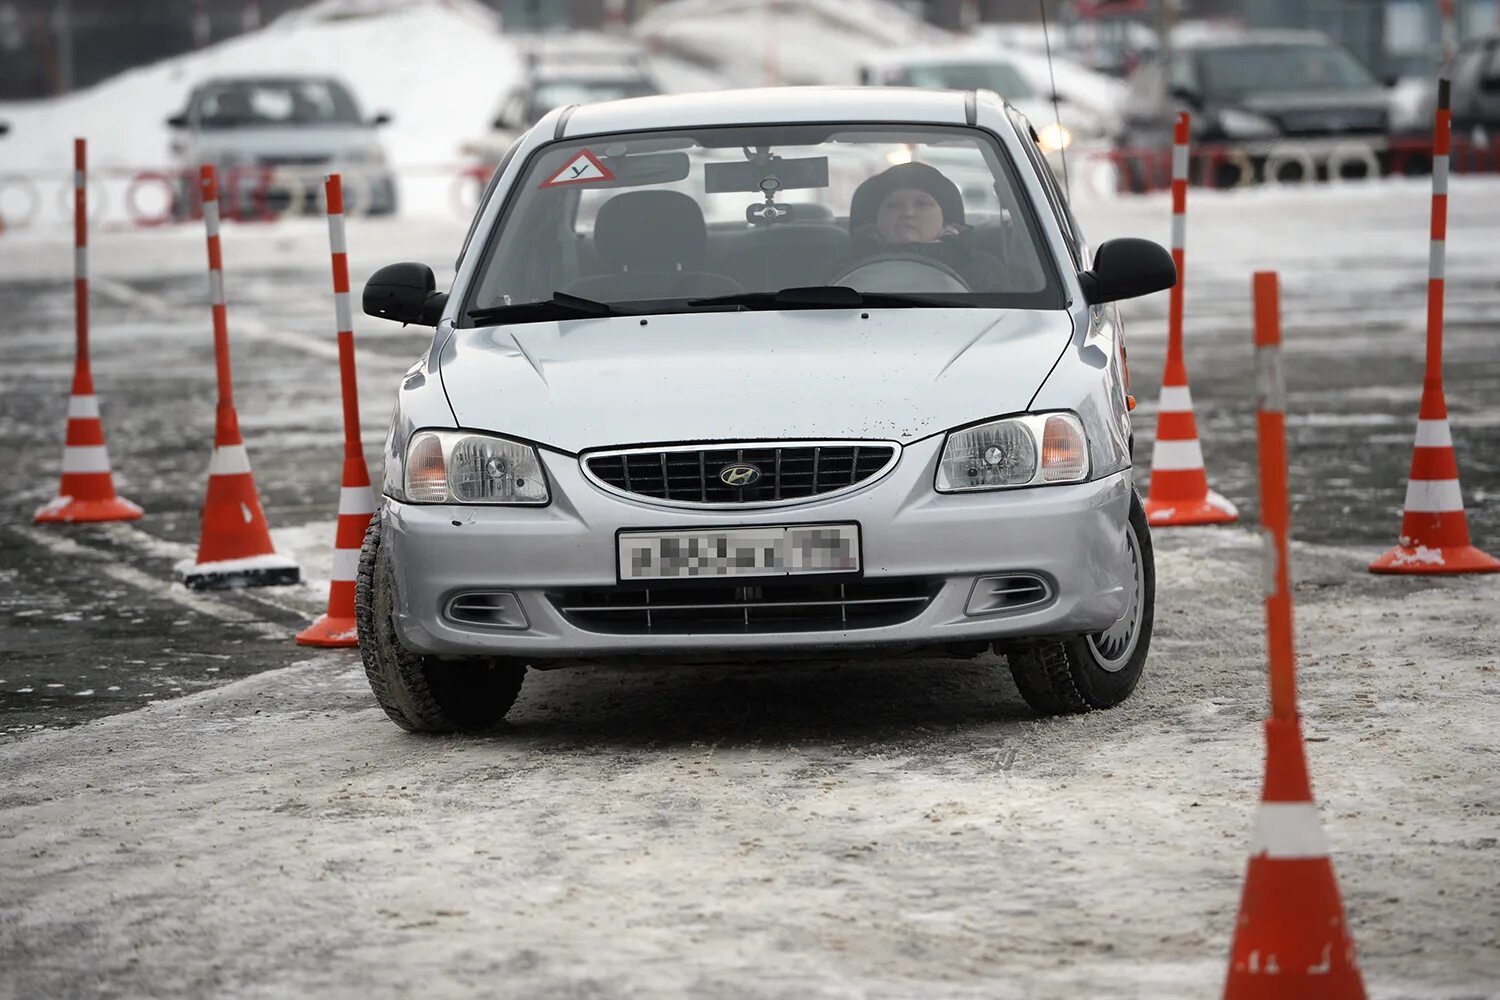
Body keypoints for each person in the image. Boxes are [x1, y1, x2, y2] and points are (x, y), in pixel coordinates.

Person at [837, 161, 1007, 291]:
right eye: (894, 205)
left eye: (922, 204)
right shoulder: (841, 266)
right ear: (876, 219)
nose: (908, 212)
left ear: (945, 220)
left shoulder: (979, 268)